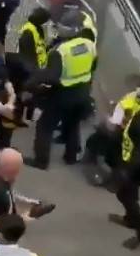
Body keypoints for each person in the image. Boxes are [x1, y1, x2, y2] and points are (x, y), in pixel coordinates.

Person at [26, 9, 97, 170]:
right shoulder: (90, 45)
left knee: (44, 126)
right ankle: (71, 157)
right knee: (72, 124)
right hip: (83, 92)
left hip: (63, 94)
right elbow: (93, 67)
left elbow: (51, 76)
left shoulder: (61, 51)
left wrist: (33, 81)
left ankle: (41, 161)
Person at [0, 148, 54, 253]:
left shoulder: (3, 177)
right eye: (16, 171)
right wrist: (19, 220)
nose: (17, 174)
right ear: (9, 170)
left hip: (5, 235)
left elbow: (10, 196)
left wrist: (31, 204)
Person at [109, 95, 140, 249]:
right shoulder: (139, 108)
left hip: (137, 164)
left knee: (125, 194)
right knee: (126, 193)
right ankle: (131, 220)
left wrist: (126, 170)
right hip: (133, 161)